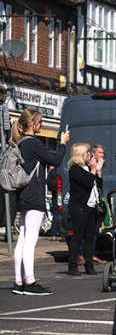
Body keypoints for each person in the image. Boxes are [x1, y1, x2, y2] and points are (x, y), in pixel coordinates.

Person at [11, 109, 70, 295]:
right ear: (32, 124)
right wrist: (62, 144)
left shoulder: (20, 144)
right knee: (30, 240)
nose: (42, 125)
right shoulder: (33, 143)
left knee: (22, 238)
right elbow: (55, 160)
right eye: (40, 121)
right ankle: (30, 282)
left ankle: (19, 281)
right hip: (34, 196)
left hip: (22, 196)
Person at [67, 142, 103, 276]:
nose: (90, 155)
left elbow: (97, 185)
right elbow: (87, 183)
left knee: (90, 237)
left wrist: (98, 172)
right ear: (81, 154)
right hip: (79, 207)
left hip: (91, 206)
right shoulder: (75, 169)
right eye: (88, 153)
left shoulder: (87, 168)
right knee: (78, 236)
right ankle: (72, 265)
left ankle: (89, 264)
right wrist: (94, 169)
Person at [46, 165, 61, 239]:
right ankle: (62, 233)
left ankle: (54, 234)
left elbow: (48, 182)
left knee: (56, 215)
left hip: (55, 194)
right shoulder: (63, 171)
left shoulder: (52, 172)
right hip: (63, 194)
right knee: (62, 214)